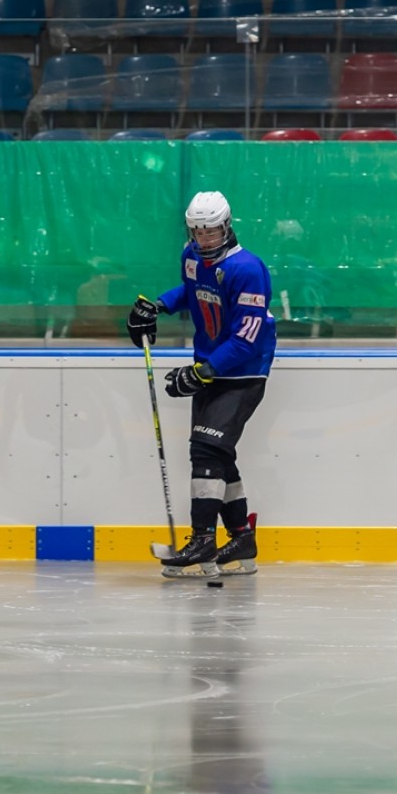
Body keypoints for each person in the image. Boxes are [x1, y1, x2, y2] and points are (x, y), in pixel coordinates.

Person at [127, 191, 277, 578]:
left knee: (206, 451)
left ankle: (202, 539)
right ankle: (242, 538)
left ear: (227, 226)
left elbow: (247, 338)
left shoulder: (248, 269)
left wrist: (201, 373)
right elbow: (191, 293)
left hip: (243, 371)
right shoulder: (191, 257)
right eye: (198, 231)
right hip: (210, 364)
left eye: (211, 231)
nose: (205, 239)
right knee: (219, 454)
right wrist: (158, 304)